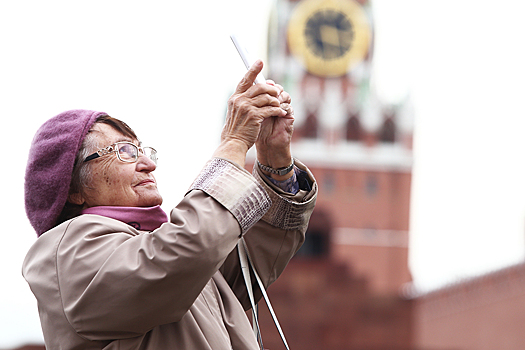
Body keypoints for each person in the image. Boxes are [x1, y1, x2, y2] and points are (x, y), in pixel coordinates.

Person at [22, 61, 317, 350]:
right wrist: (235, 141)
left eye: (142, 150)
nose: (148, 164)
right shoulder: (66, 251)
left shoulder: (168, 255)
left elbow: (247, 260)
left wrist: (274, 159)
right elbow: (189, 247)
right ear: (73, 189)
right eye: (124, 151)